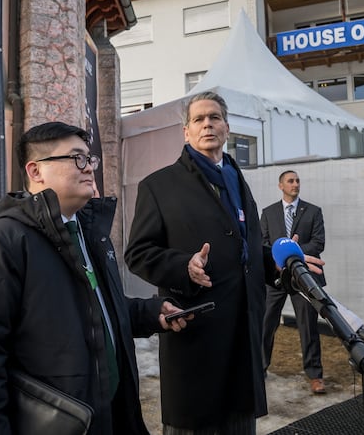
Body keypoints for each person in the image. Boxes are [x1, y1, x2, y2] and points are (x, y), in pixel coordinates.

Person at [0, 122, 188, 435]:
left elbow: (94, 309)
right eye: (76, 158)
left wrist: (150, 312)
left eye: (90, 159)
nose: (89, 168)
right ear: (36, 172)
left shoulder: (90, 234)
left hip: (111, 417)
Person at [125, 91, 324, 434]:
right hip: (196, 336)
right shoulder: (158, 186)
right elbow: (138, 253)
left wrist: (279, 262)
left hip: (242, 336)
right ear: (185, 132)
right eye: (198, 119)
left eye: (214, 117)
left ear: (227, 127)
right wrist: (183, 266)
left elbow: (243, 249)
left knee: (239, 423)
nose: (207, 124)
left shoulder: (234, 177)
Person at [261, 170, 327, 394]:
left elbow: (318, 243)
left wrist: (292, 252)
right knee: (266, 323)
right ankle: (260, 368)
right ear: (281, 185)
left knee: (308, 326)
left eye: (298, 180)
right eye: (291, 181)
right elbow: (263, 243)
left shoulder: (313, 211)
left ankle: (315, 375)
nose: (296, 184)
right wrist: (279, 258)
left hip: (304, 277)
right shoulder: (268, 212)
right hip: (276, 277)